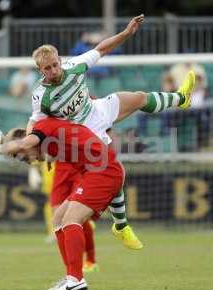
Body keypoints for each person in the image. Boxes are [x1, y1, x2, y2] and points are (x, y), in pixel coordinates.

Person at [27, 14, 196, 249]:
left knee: (137, 98)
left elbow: (102, 48)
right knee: (115, 172)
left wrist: (126, 33)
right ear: (40, 70)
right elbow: (35, 123)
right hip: (83, 132)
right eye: (48, 68)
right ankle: (121, 225)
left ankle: (181, 98)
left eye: (55, 64)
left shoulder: (73, 66)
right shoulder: (40, 96)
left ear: (59, 59)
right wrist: (34, 147)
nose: (54, 70)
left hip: (96, 109)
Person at [0, 118, 124, 290]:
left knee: (71, 220)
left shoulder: (41, 129)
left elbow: (25, 141)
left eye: (20, 155)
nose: (25, 160)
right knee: (59, 219)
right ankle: (72, 276)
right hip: (95, 171)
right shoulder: (48, 142)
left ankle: (77, 277)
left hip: (102, 170)